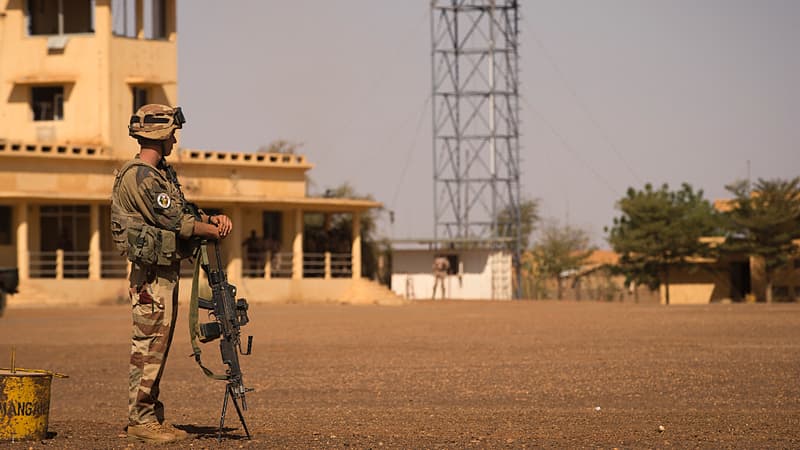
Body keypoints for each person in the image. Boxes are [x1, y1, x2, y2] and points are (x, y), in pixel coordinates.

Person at [110, 104, 233, 443]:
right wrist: (210, 229)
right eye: (172, 134)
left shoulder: (160, 174)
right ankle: (141, 419)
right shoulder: (141, 176)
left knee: (156, 346)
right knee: (149, 346)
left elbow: (183, 211)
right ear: (161, 135)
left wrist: (211, 219)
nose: (175, 139)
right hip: (152, 278)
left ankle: (149, 415)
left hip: (162, 274)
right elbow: (177, 223)